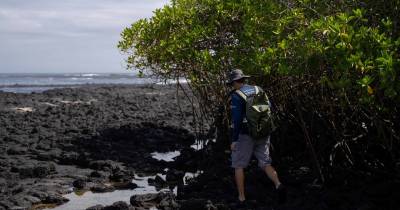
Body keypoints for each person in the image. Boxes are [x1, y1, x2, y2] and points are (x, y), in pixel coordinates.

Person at [228, 69, 286, 206]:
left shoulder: (237, 95)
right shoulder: (258, 89)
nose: (232, 86)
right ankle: (278, 184)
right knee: (265, 163)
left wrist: (234, 140)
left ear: (236, 82)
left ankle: (241, 197)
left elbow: (236, 120)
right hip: (264, 132)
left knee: (238, 164)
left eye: (232, 83)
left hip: (246, 134)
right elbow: (269, 106)